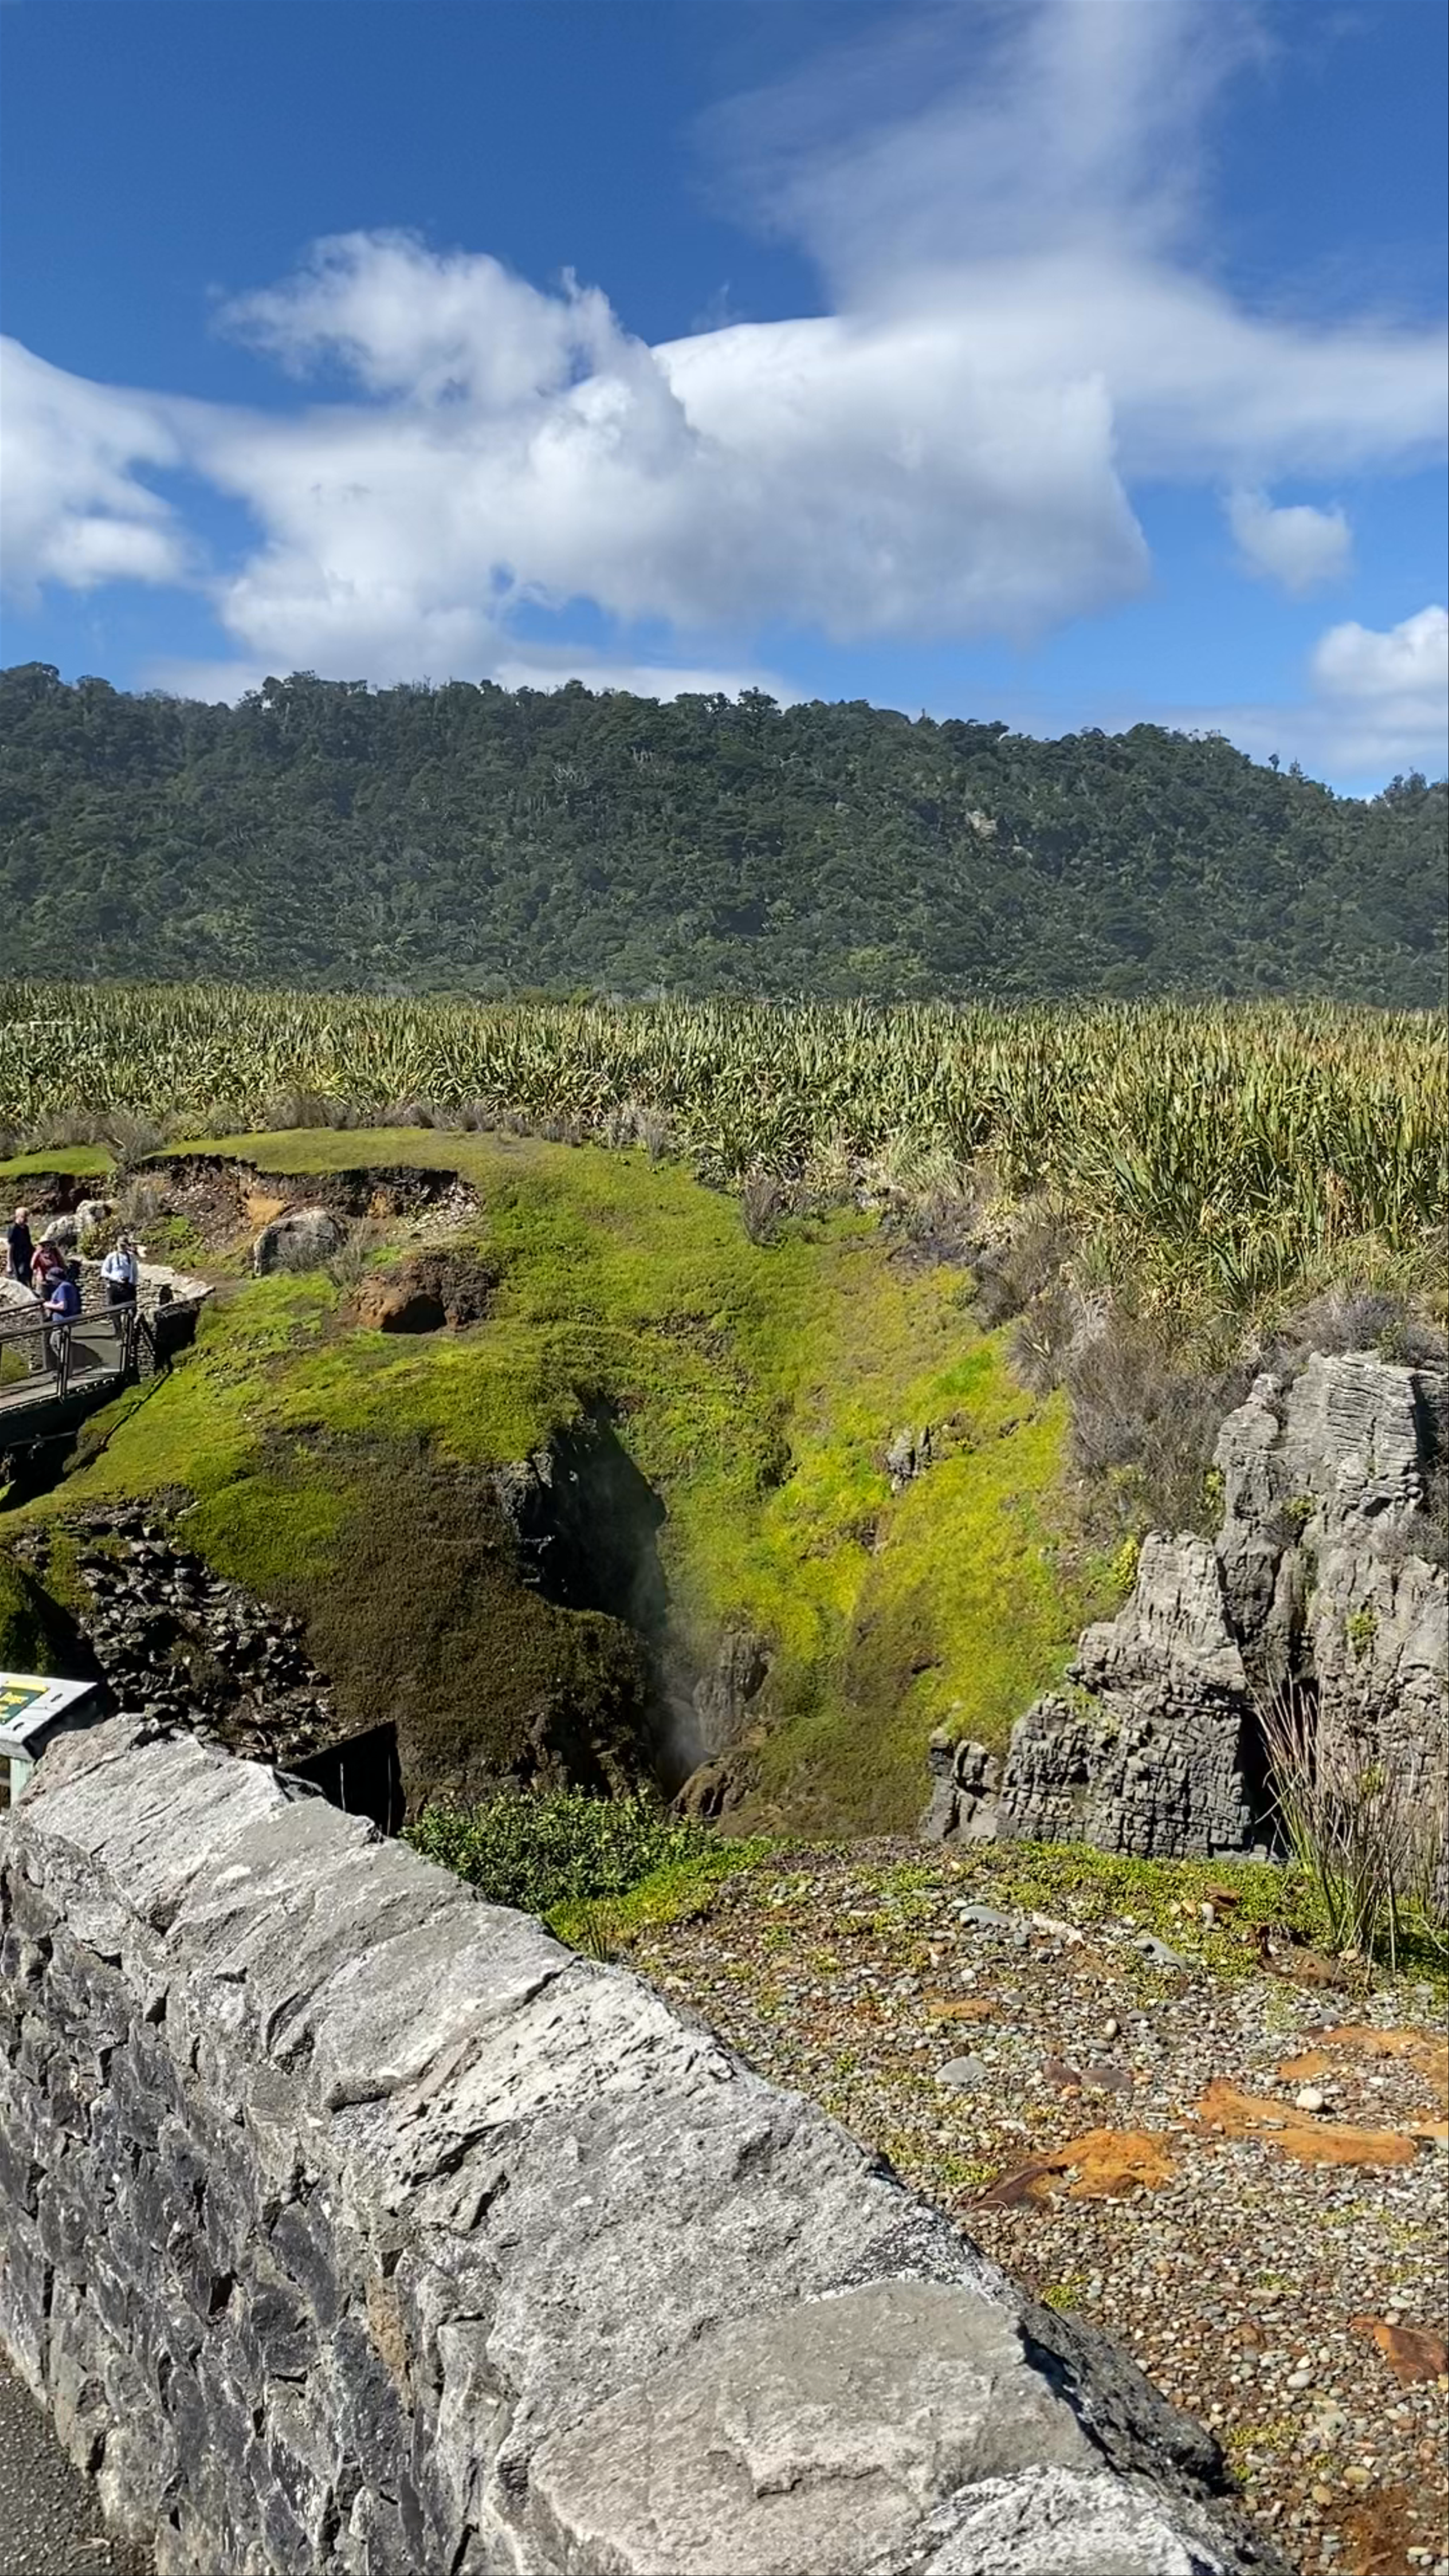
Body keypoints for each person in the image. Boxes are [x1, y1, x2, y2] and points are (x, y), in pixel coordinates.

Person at [42, 1260, 81, 1372]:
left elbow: (63, 1306)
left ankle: (66, 1372)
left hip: (63, 1322)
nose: (50, 1281)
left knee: (62, 1346)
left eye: (51, 1278)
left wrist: (47, 1305)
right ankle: (65, 1370)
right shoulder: (67, 1286)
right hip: (60, 1322)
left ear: (56, 1277)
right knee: (55, 1343)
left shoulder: (64, 1288)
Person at [100, 1233, 140, 1309]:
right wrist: (116, 1279)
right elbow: (104, 1272)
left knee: (131, 1310)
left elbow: (135, 1272)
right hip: (115, 1286)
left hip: (128, 1286)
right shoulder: (111, 1256)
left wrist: (133, 1284)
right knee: (113, 1310)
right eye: (121, 1245)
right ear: (117, 1244)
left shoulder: (132, 1257)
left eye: (124, 1245)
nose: (122, 1247)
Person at [5, 1206, 33, 1284]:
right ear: (18, 1217)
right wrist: (9, 1265)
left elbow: (29, 1242)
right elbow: (10, 1247)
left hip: (27, 1256)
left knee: (29, 1275)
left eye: (27, 1217)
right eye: (24, 1217)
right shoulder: (14, 1229)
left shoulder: (26, 1228)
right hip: (18, 1259)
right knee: (21, 1276)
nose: (26, 1220)